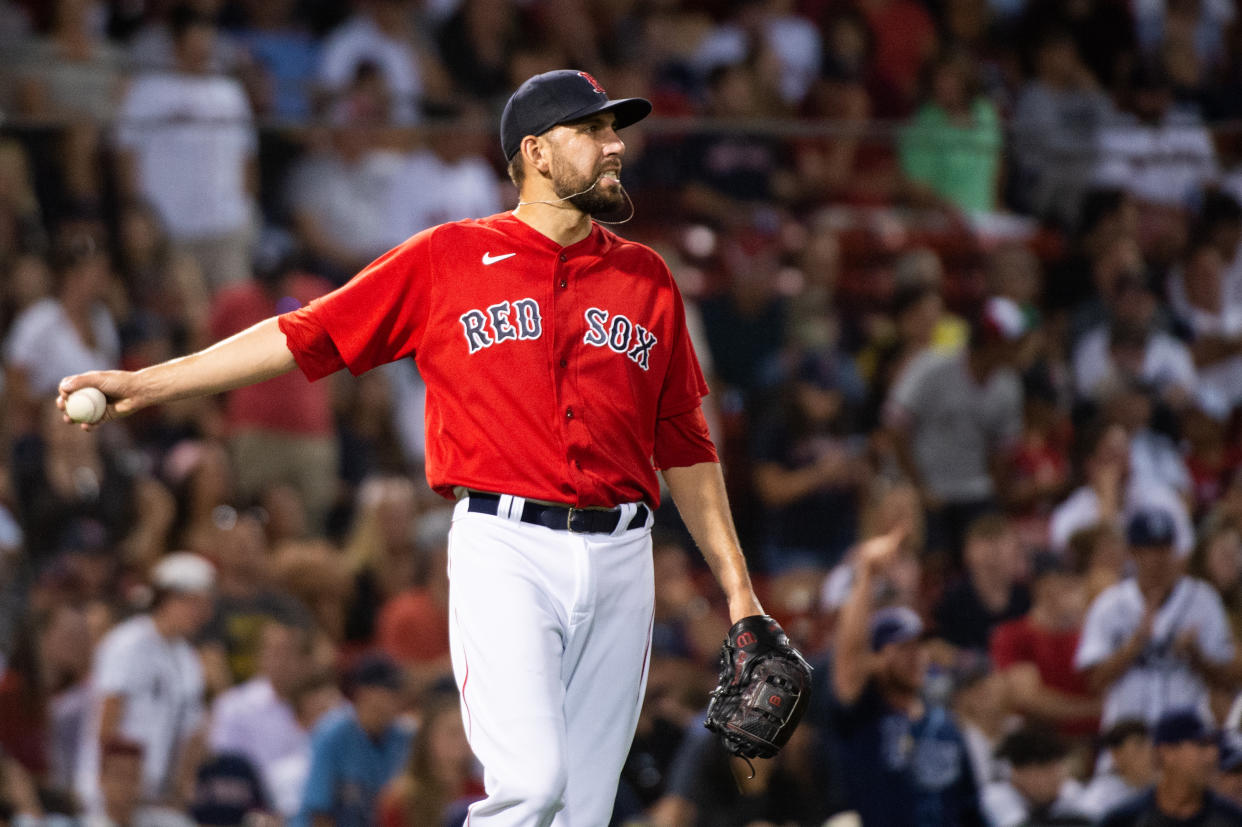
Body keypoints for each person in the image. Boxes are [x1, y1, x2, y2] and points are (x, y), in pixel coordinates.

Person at [58, 69, 772, 827]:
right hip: (508, 546)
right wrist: (148, 385)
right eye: (592, 131)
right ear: (534, 151)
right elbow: (305, 334)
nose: (614, 146)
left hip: (625, 556)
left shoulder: (646, 278)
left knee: (579, 815)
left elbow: (686, 444)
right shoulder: (448, 258)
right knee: (531, 785)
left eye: (613, 129)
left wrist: (739, 590)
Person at [829, 531, 984, 826]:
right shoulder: (862, 720)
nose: (915, 656)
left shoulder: (947, 727)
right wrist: (867, 573)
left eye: (919, 646)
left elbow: (971, 809)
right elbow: (849, 660)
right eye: (901, 649)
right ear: (874, 660)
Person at [75, 552, 215, 819]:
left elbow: (192, 734)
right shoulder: (128, 644)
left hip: (154, 798)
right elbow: (109, 713)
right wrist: (109, 784)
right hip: (109, 795)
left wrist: (178, 790)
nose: (202, 614)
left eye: (205, 605)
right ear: (167, 598)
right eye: (193, 603)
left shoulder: (188, 659)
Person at [1076, 509, 1235, 728]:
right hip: (1128, 741)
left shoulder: (1203, 600)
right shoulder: (1109, 605)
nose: (1158, 558)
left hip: (1186, 742)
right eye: (1149, 549)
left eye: (1164, 548)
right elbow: (1094, 683)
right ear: (1132, 552)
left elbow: (1227, 680)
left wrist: (1196, 656)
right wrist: (1133, 647)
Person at [295, 653, 413, 827]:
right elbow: (318, 813)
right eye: (380, 693)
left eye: (393, 694)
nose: (387, 702)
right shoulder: (331, 734)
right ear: (360, 694)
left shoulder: (404, 737)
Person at [1099, 708, 1242, 826]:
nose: (1212, 755)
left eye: (1214, 745)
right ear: (1167, 753)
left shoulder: (1231, 819)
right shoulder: (1126, 819)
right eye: (1202, 745)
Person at [1077, 719, 1155, 820]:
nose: (1149, 754)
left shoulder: (1162, 789)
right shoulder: (1101, 795)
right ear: (1116, 754)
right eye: (1139, 747)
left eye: (1151, 747)